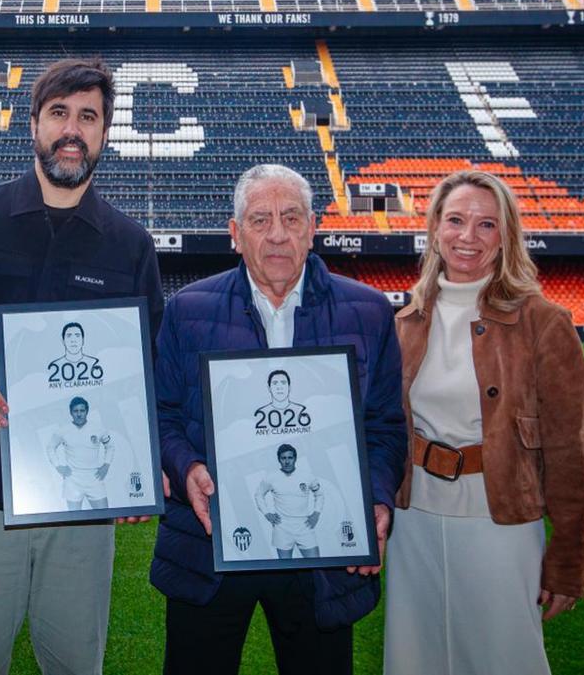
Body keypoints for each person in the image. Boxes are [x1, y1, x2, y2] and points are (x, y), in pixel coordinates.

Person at [0, 57, 164, 675]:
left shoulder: (130, 245)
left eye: (88, 117)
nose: (73, 129)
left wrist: (133, 465)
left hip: (82, 506)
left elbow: (145, 368)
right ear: (35, 125)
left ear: (104, 133)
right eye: (59, 113)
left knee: (76, 665)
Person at [153, 164, 406, 675]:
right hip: (209, 543)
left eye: (291, 218)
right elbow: (162, 414)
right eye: (260, 219)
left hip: (320, 554)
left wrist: (375, 498)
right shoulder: (185, 309)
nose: (277, 235)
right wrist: (186, 470)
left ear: (313, 228)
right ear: (235, 233)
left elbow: (384, 428)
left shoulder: (369, 311)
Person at [384, 169, 584, 675]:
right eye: (455, 220)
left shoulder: (543, 322)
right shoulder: (404, 322)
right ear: (435, 227)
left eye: (486, 225)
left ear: (506, 237)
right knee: (417, 660)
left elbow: (571, 452)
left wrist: (567, 559)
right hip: (413, 521)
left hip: (500, 519)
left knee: (506, 659)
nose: (467, 237)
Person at [254, 444, 325, 559]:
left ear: (295, 459)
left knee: (316, 565)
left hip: (304, 526)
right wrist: (267, 513)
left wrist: (316, 513)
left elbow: (320, 494)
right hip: (282, 528)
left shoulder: (307, 476)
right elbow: (258, 495)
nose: (287, 461)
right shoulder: (271, 478)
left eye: (290, 458)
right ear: (279, 460)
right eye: (283, 458)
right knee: (285, 568)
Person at [46, 396, 114, 509]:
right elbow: (50, 447)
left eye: (82, 410)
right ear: (71, 413)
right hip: (73, 479)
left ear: (87, 411)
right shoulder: (63, 430)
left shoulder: (98, 429)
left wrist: (106, 465)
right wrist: (58, 466)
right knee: (74, 519)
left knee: (104, 516)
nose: (79, 414)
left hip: (94, 478)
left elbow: (110, 446)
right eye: (75, 411)